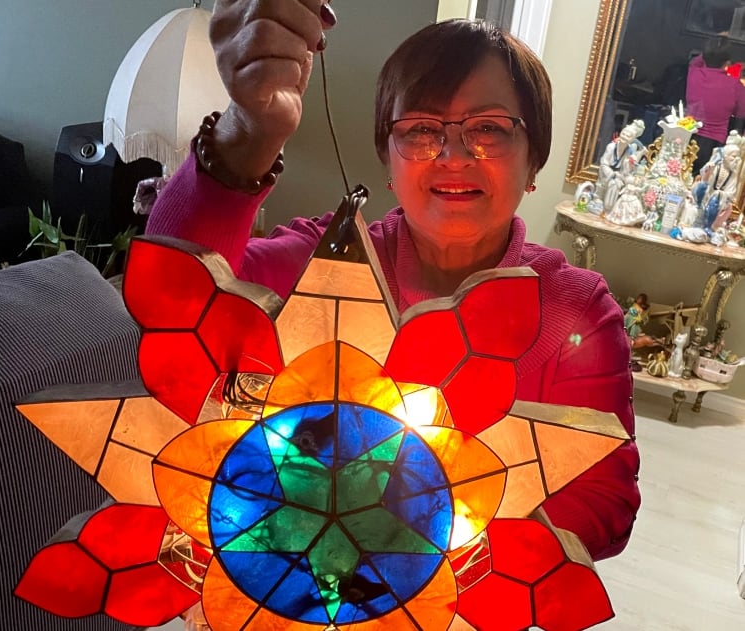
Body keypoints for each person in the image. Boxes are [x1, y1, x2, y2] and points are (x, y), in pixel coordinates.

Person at [147, 0, 640, 562]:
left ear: (534, 161)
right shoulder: (325, 266)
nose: (454, 154)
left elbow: (606, 502)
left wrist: (418, 535)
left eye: (489, 129)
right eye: (423, 129)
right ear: (387, 154)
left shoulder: (573, 312)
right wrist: (251, 131)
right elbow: (174, 295)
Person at [685, 36, 745, 174]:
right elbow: (741, 116)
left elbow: (697, 60)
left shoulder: (694, 72)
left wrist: (715, 46)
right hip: (713, 145)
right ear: (727, 63)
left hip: (687, 136)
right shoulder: (735, 86)